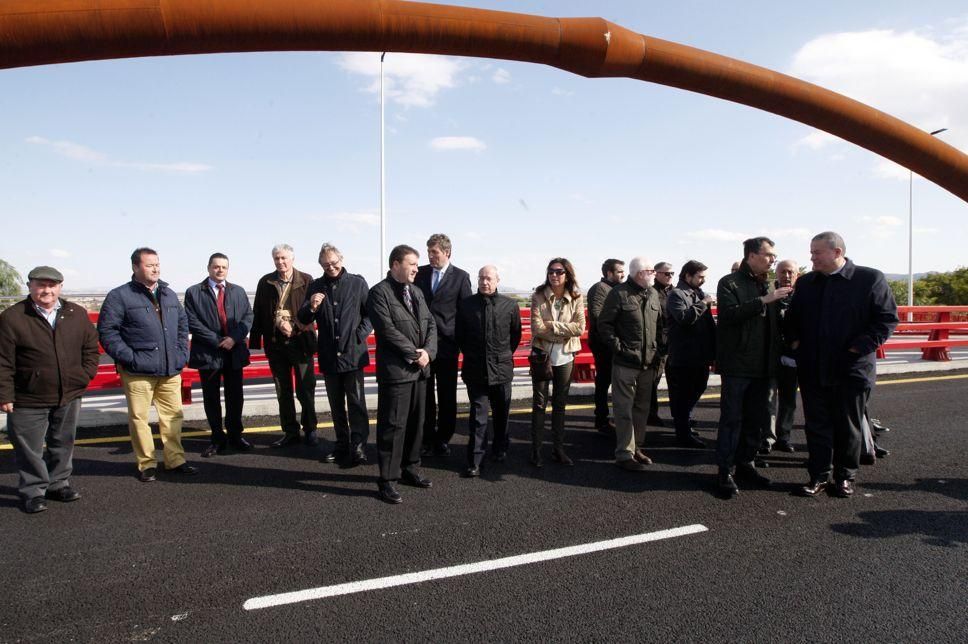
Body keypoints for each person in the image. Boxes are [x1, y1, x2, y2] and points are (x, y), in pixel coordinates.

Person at [786, 231, 898, 498]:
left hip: (851, 368)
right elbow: (792, 318)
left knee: (848, 426)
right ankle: (818, 476)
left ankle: (845, 476)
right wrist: (794, 343)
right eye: (811, 252)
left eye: (816, 252)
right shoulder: (807, 283)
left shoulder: (869, 278)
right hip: (812, 367)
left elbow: (886, 320)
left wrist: (856, 348)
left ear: (837, 253)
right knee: (817, 425)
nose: (811, 257)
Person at [0, 266, 99, 513]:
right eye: (41, 285)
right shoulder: (13, 317)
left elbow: (90, 348)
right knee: (29, 447)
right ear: (30, 286)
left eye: (52, 285)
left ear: (60, 287)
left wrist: (84, 376)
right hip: (27, 396)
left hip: (68, 393)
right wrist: (5, 394)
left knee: (63, 441)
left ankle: (58, 483)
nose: (47, 290)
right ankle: (33, 491)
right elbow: (2, 360)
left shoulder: (75, 313)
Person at [98, 248, 197, 482]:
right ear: (135, 267)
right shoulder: (119, 296)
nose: (156, 268)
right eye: (150, 264)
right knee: (139, 418)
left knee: (173, 416)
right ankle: (147, 463)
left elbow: (183, 326)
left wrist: (181, 354)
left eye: (157, 264)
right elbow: (107, 332)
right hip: (137, 371)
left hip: (170, 369)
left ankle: (175, 460)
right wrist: (130, 358)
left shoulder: (169, 294)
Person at [714, 237, 791, 497]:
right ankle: (725, 471)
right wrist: (765, 300)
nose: (772, 260)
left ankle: (746, 463)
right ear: (751, 255)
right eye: (769, 255)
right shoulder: (730, 282)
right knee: (731, 420)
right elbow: (729, 315)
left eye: (774, 256)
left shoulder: (765, 284)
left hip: (765, 366)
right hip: (738, 365)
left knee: (756, 421)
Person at [367, 244, 437, 503]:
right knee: (393, 426)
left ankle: (410, 468)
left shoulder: (416, 292)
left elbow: (430, 323)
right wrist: (415, 354)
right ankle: (387, 479)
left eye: (417, 265)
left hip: (420, 371)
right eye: (412, 264)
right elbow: (386, 330)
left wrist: (429, 352)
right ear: (396, 264)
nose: (417, 269)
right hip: (397, 372)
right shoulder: (378, 293)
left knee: (417, 423)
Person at [297, 243, 372, 466]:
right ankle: (341, 445)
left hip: (353, 354)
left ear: (341, 259)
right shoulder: (316, 286)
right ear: (320, 264)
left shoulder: (357, 282)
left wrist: (359, 335)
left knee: (356, 404)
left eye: (334, 262)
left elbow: (370, 314)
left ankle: (358, 446)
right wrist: (311, 306)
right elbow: (303, 317)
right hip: (329, 355)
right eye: (326, 264)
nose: (331, 267)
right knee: (336, 405)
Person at [184, 253, 254, 457]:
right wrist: (217, 340)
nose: (220, 270)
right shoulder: (194, 292)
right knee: (211, 397)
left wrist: (233, 338)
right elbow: (192, 321)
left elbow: (248, 317)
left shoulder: (238, 291)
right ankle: (216, 438)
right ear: (208, 268)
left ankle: (235, 435)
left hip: (234, 352)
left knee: (235, 396)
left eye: (224, 267)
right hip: (209, 353)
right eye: (216, 267)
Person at [455, 265, 522, 477]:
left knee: (502, 413)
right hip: (475, 369)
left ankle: (500, 447)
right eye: (481, 278)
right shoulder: (466, 306)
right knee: (478, 416)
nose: (484, 282)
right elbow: (460, 336)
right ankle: (475, 459)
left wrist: (500, 356)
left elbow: (515, 336)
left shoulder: (510, 306)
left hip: (502, 369)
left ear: (497, 280)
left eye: (489, 278)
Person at [597, 257, 663, 471]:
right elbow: (604, 324)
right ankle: (624, 453)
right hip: (626, 362)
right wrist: (619, 348)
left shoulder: (653, 294)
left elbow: (660, 325)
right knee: (623, 409)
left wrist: (659, 351)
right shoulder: (619, 294)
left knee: (642, 409)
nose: (654, 273)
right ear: (639, 273)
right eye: (651, 270)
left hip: (648, 363)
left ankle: (637, 448)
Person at [250, 244, 318, 448]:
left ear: (292, 259)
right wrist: (256, 340)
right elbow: (259, 311)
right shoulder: (266, 281)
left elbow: (312, 311)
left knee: (306, 389)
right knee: (283, 391)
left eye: (284, 258)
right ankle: (290, 431)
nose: (280, 262)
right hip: (276, 345)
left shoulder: (306, 280)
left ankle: (310, 429)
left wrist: (294, 327)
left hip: (301, 342)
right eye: (277, 259)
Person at [415, 233, 472, 457]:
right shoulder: (420, 273)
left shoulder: (461, 277)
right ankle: (427, 438)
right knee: (426, 395)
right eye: (428, 251)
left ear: (447, 252)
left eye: (434, 252)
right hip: (423, 346)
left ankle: (444, 438)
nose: (430, 256)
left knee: (447, 396)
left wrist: (461, 343)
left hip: (447, 346)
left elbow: (465, 312)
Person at [529, 258, 585, 467]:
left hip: (566, 356)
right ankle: (536, 451)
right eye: (551, 271)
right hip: (542, 355)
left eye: (559, 271)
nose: (554, 275)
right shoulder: (538, 295)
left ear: (567, 274)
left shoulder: (577, 297)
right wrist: (562, 330)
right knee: (539, 403)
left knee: (560, 404)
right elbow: (536, 328)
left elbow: (579, 328)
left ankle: (558, 449)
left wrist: (552, 325)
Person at [665, 260, 715, 449]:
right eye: (700, 276)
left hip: (700, 354)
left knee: (698, 387)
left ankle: (684, 423)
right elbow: (684, 318)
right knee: (683, 395)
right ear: (687, 276)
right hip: (684, 356)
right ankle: (682, 432)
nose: (703, 280)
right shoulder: (676, 295)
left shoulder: (698, 293)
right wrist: (703, 303)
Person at [760, 258, 798, 454]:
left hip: (793, 356)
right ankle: (768, 438)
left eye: (791, 272)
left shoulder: (802, 296)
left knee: (789, 401)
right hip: (771, 355)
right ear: (777, 273)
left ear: (797, 274)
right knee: (768, 400)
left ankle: (784, 437)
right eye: (783, 272)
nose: (787, 276)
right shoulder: (767, 293)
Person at [587, 259, 625, 434]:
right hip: (603, 343)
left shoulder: (615, 289)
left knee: (609, 381)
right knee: (603, 382)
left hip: (611, 342)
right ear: (609, 273)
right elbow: (597, 314)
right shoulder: (599, 289)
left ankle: (605, 418)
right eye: (619, 272)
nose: (623, 275)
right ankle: (601, 419)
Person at [648, 261, 675, 427]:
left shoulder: (676, 292)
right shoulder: (651, 292)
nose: (670, 276)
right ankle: (651, 414)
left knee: (676, 382)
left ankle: (680, 416)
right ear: (656, 274)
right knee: (653, 382)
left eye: (672, 273)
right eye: (666, 273)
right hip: (658, 344)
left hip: (675, 344)